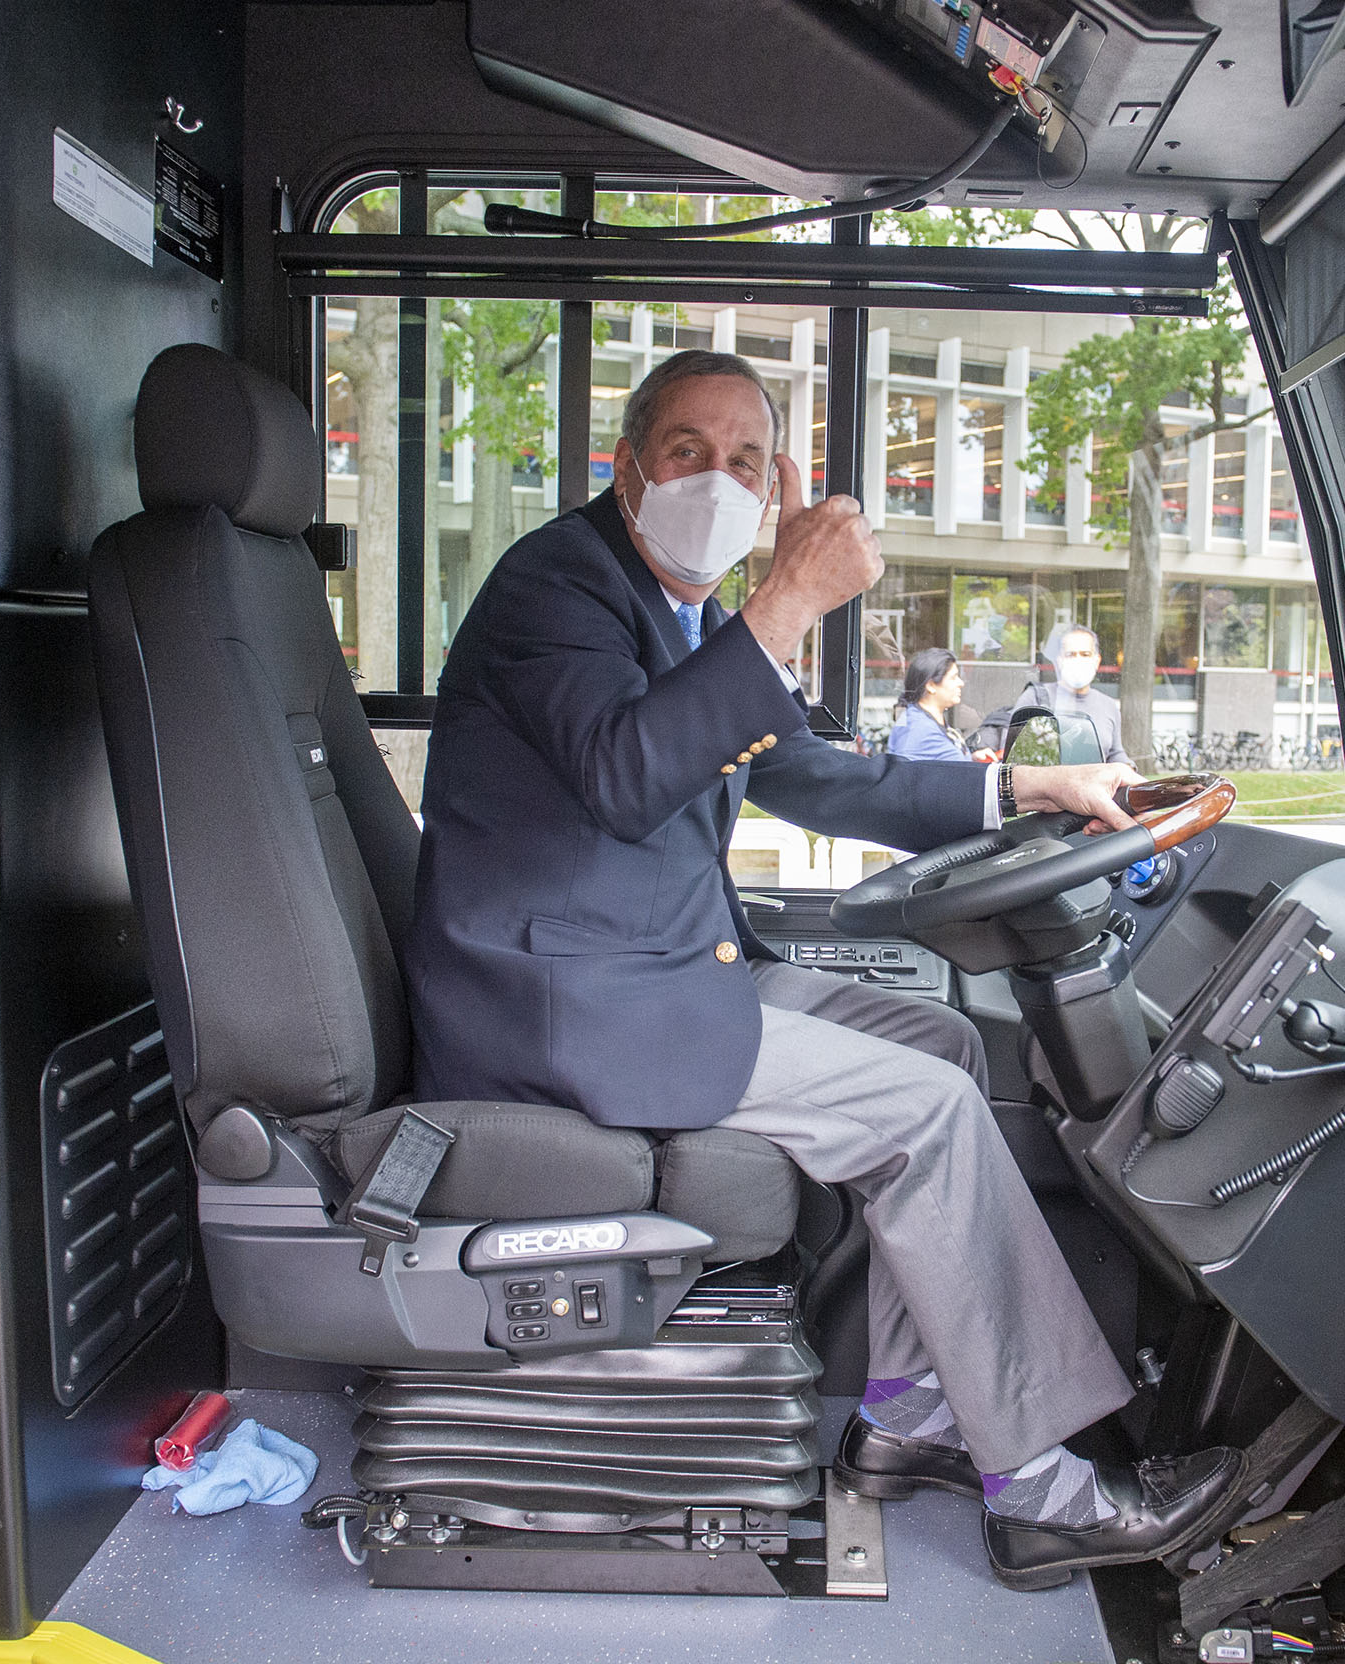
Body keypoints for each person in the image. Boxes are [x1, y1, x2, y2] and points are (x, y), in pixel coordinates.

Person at [405, 350, 1239, 1589]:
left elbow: (808, 770)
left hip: (651, 967)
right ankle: (1039, 1488)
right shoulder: (557, 588)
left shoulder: (684, 610)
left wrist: (1028, 786)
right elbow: (629, 777)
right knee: (932, 1110)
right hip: (563, 1004)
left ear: (779, 474)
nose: (718, 478)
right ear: (626, 464)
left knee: (943, 1044)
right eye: (688, 449)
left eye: (747, 459)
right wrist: (785, 599)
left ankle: (909, 1414)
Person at [1013, 624, 1133, 765]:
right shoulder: (1034, 697)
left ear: (1097, 660)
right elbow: (1012, 750)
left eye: (1085, 654)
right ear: (1059, 660)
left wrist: (1127, 767)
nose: (1078, 660)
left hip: (1093, 785)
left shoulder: (1108, 705)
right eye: (1070, 654)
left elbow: (1115, 753)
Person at [886, 648, 993, 763]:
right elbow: (905, 774)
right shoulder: (918, 730)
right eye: (953, 677)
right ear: (931, 685)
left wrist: (971, 759)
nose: (961, 683)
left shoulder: (924, 720)